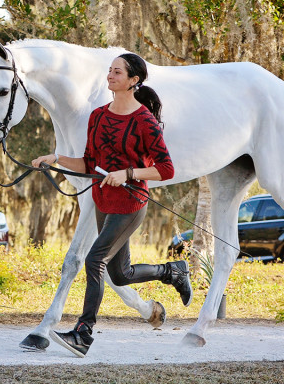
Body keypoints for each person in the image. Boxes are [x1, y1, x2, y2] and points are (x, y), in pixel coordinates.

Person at [31, 52, 192, 358]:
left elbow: (166, 169)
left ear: (134, 81)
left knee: (94, 261)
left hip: (130, 205)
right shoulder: (98, 116)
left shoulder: (144, 121)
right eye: (110, 70)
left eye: (117, 72)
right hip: (103, 201)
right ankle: (173, 271)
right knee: (121, 274)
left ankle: (83, 333)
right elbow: (89, 163)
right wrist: (55, 159)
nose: (110, 76)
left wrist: (127, 173)